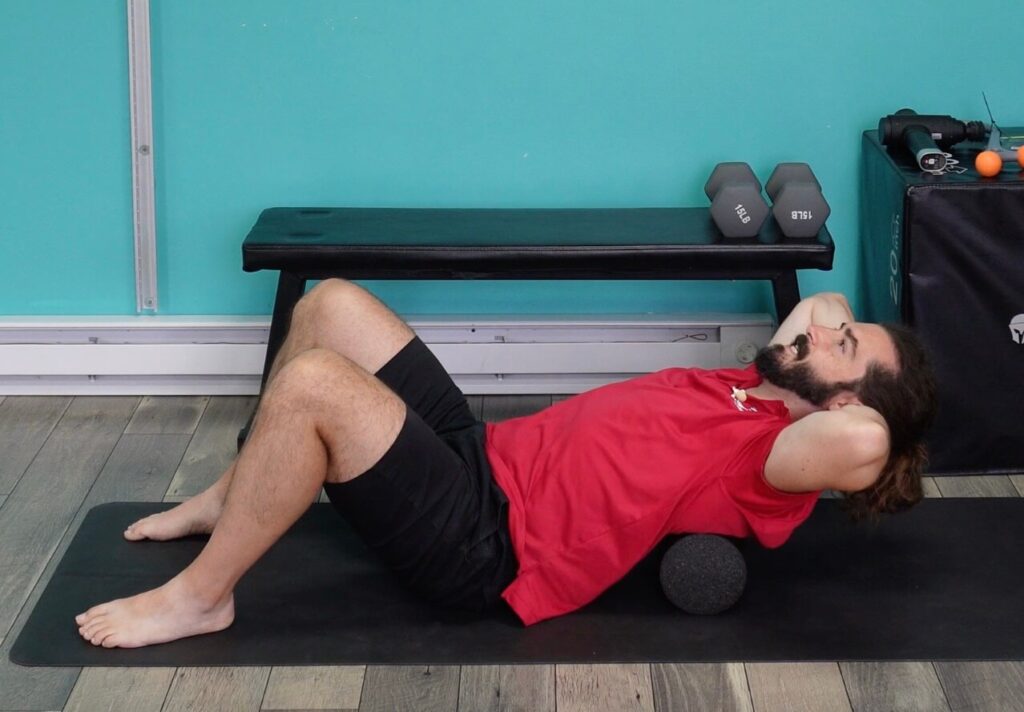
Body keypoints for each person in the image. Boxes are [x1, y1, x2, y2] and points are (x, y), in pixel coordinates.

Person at [75, 280, 938, 647]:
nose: (820, 329)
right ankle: (226, 499)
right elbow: (822, 302)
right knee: (329, 305)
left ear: (846, 408)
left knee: (312, 386)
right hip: (485, 457)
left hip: (487, 545)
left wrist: (858, 401)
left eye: (843, 346)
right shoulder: (760, 382)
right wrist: (827, 351)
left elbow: (868, 444)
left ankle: (201, 598)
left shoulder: (780, 457)